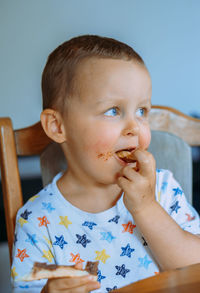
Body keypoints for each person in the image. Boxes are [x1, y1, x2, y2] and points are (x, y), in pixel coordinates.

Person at [11, 35, 200, 293]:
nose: (134, 127)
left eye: (142, 111)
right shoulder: (38, 221)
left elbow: (194, 268)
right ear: (57, 126)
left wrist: (146, 207)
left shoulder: (161, 189)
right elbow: (30, 287)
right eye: (113, 110)